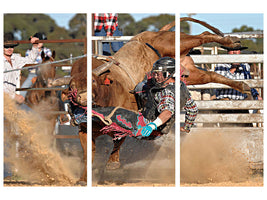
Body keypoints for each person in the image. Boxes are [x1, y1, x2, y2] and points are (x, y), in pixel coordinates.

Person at [214, 45, 262, 127]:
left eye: (237, 50)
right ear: (228, 52)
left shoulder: (245, 66)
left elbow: (249, 83)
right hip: (225, 104)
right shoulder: (221, 65)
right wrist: (233, 68)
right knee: (228, 132)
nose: (235, 52)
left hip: (241, 104)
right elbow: (220, 84)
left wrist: (256, 94)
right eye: (232, 50)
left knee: (248, 131)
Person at [134, 57, 176, 137]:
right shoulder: (181, 87)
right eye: (155, 74)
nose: (155, 77)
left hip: (154, 128)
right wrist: (187, 127)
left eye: (158, 74)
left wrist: (151, 126)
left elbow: (167, 113)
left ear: (168, 74)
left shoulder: (167, 91)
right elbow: (193, 108)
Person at [3, 32, 40, 104]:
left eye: (12, 46)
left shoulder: (16, 59)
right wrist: (14, 96)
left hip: (10, 99)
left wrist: (35, 46)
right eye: (6, 47)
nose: (9, 49)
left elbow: (30, 60)